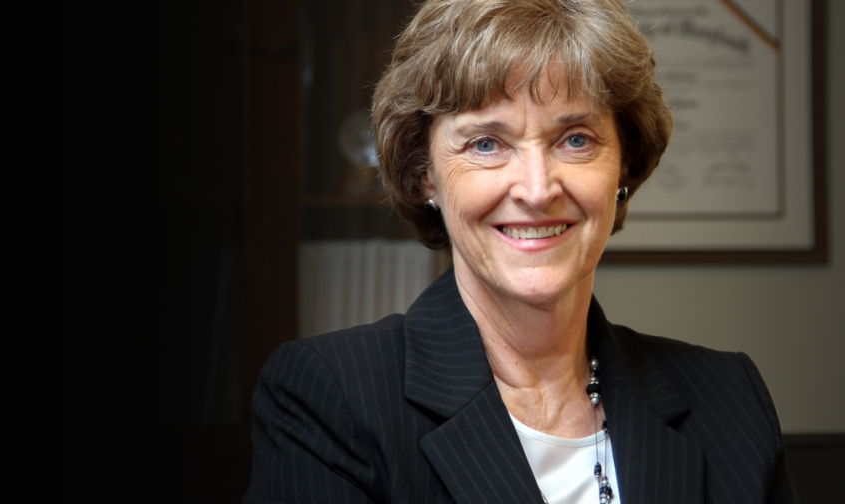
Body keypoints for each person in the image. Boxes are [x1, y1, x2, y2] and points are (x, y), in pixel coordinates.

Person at [242, 0, 796, 503]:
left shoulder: (730, 399)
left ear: (624, 165)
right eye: (487, 143)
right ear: (424, 174)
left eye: (575, 139)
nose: (537, 189)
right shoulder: (331, 397)